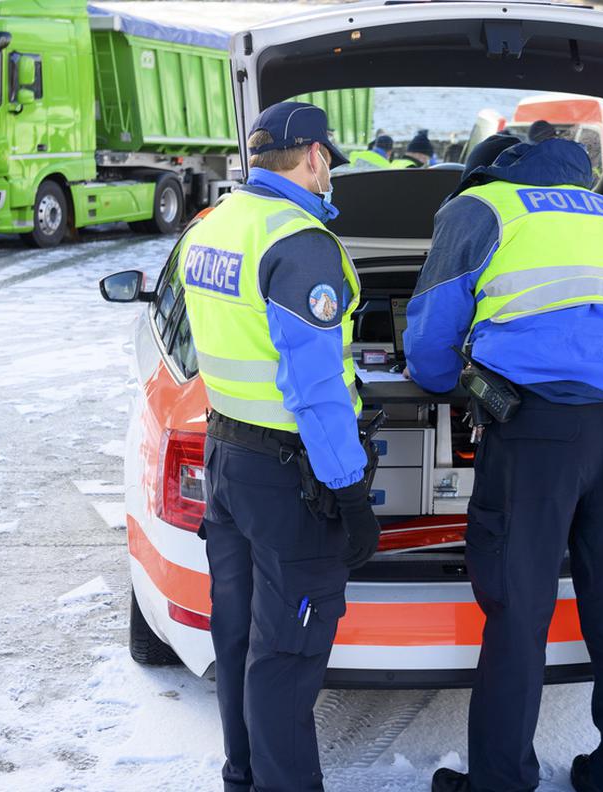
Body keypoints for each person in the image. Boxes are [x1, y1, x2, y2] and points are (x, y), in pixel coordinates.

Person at [404, 134, 603, 792]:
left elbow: (434, 330)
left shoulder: (482, 208)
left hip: (536, 436)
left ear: (490, 171)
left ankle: (501, 781)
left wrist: (438, 381)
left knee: (519, 614)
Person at [179, 100, 381, 792]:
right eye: (330, 165)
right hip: (289, 479)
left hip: (227, 460)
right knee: (288, 656)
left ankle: (245, 777)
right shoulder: (300, 244)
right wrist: (352, 492)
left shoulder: (215, 226)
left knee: (239, 640)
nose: (331, 179)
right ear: (315, 157)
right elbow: (316, 390)